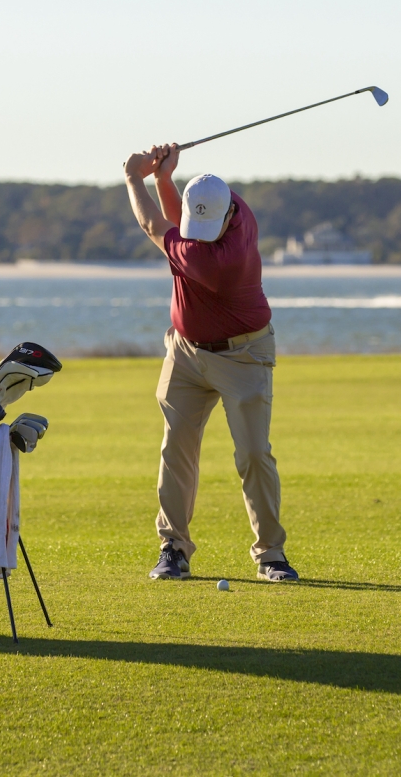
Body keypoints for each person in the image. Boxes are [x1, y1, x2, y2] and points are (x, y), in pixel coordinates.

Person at [123, 143, 298, 582]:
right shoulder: (231, 203)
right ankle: (173, 548)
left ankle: (271, 554)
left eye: (206, 227)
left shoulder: (218, 259)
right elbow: (176, 221)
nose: (196, 233)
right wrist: (165, 180)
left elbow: (151, 224)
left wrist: (133, 176)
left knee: (254, 454)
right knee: (175, 447)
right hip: (185, 351)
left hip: (243, 355)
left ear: (227, 219)